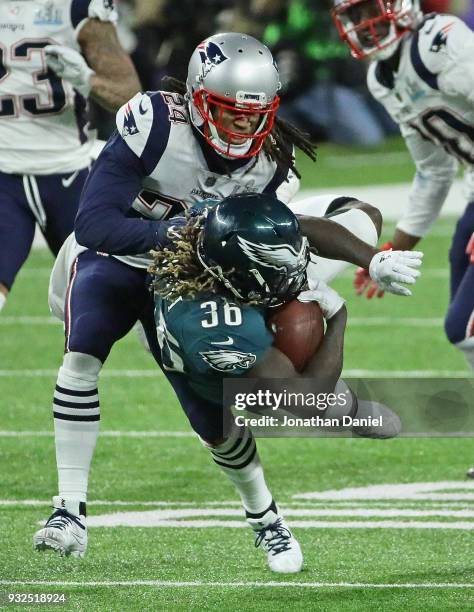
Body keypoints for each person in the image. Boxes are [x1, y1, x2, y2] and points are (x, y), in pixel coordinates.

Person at [33, 32, 421, 560]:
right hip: (121, 258)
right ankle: (69, 511)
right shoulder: (154, 123)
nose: (245, 125)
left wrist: (365, 260)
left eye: (255, 114)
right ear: (196, 100)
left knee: (215, 412)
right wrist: (192, 231)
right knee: (80, 357)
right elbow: (96, 224)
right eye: (230, 112)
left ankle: (265, 515)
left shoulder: (271, 157)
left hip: (195, 278)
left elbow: (291, 225)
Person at [148, 193, 415, 572]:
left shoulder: (220, 227)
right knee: (238, 418)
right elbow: (306, 399)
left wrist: (373, 260)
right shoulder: (217, 329)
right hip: (216, 370)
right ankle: (267, 519)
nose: (297, 272)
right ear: (239, 275)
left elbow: (320, 221)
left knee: (363, 218)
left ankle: (348, 409)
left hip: (244, 294)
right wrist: (338, 318)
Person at [332, 0, 474, 369]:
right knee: (463, 331)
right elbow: (434, 171)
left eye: (369, 10)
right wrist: (396, 246)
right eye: (354, 17)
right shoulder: (382, 78)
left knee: (466, 328)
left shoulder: (438, 43)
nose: (364, 25)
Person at [0, 0, 140, 313]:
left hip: (71, 174)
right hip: (3, 176)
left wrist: (86, 81)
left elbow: (130, 96)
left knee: (123, 298)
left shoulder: (75, 8)